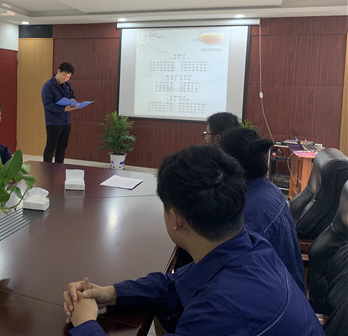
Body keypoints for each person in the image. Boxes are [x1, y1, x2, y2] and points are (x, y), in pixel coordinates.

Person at [63, 145, 324, 336]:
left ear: (176, 218)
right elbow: (176, 283)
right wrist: (112, 293)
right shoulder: (253, 246)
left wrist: (86, 324)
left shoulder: (219, 311)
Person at [218, 127, 306, 292]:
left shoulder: (248, 215)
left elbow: (229, 275)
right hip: (285, 290)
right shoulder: (268, 189)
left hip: (273, 297)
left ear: (229, 167)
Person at [41, 62, 77, 163]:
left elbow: (72, 95)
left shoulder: (67, 85)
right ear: (58, 71)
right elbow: (48, 105)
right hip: (54, 122)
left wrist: (73, 100)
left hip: (66, 121)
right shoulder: (48, 86)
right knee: (51, 147)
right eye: (64, 76)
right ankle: (47, 169)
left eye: (68, 77)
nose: (65, 79)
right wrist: (64, 109)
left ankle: (59, 168)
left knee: (62, 147)